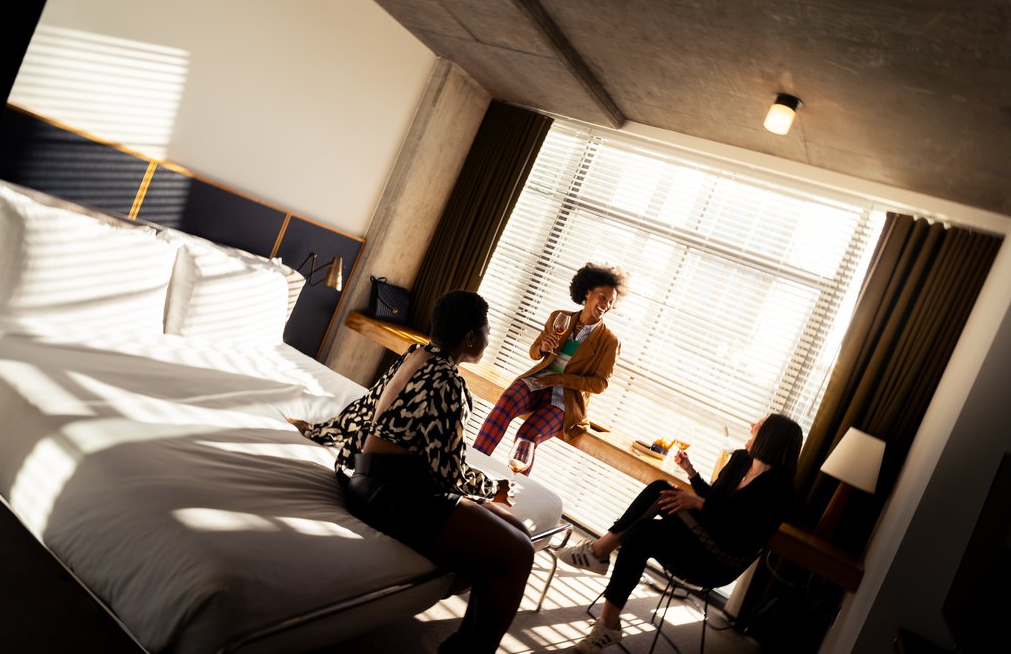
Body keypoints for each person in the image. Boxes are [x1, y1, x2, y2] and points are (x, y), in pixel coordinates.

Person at [291, 290, 535, 654]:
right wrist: (492, 488)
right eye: (486, 330)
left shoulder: (416, 355)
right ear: (470, 337)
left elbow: (366, 408)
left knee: (517, 531)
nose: (488, 337)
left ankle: (466, 642)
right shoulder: (448, 382)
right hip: (396, 494)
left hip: (369, 481)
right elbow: (449, 470)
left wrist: (319, 430)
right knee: (519, 554)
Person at [558, 414, 803, 653]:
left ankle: (599, 558)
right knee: (660, 491)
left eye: (758, 425)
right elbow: (713, 500)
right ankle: (603, 579)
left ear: (770, 437)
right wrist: (691, 473)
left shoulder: (779, 489)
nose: (751, 426)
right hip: (700, 534)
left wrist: (697, 504)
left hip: (718, 559)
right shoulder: (740, 460)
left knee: (643, 532)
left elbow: (737, 532)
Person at [471, 262, 629, 473]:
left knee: (526, 437)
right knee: (505, 404)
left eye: (610, 302)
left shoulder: (609, 341)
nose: (606, 305)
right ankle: (471, 467)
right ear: (588, 291)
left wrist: (561, 379)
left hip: (566, 399)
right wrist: (543, 347)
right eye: (602, 297)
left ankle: (510, 492)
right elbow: (534, 352)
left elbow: (600, 384)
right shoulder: (559, 317)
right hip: (538, 382)